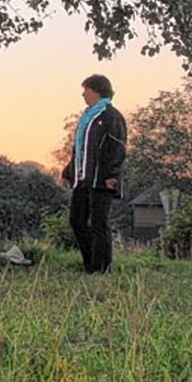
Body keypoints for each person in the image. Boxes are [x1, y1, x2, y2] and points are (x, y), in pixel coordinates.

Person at [61, 74, 127, 274]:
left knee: (99, 223)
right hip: (83, 179)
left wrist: (112, 175)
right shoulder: (87, 118)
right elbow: (80, 149)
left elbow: (117, 147)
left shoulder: (111, 116)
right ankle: (90, 263)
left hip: (102, 179)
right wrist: (68, 172)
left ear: (97, 91)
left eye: (86, 90)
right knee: (77, 220)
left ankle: (102, 268)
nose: (83, 94)